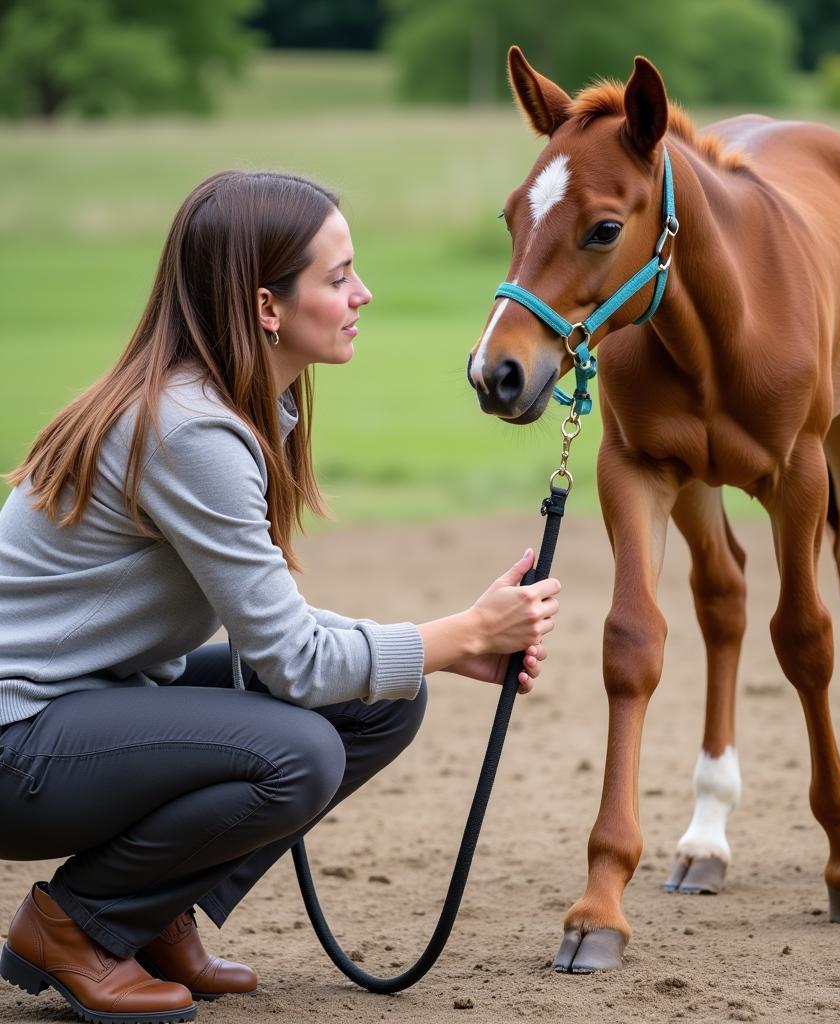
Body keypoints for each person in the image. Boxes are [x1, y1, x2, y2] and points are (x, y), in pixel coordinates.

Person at [0, 170, 561, 1024]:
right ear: (268, 307)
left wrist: (445, 648)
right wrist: (457, 632)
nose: (362, 293)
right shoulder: (192, 434)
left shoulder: (228, 406)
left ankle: (147, 915)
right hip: (18, 740)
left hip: (82, 709)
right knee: (300, 751)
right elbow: (293, 662)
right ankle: (77, 927)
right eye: (337, 279)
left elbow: (275, 630)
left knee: (380, 705)